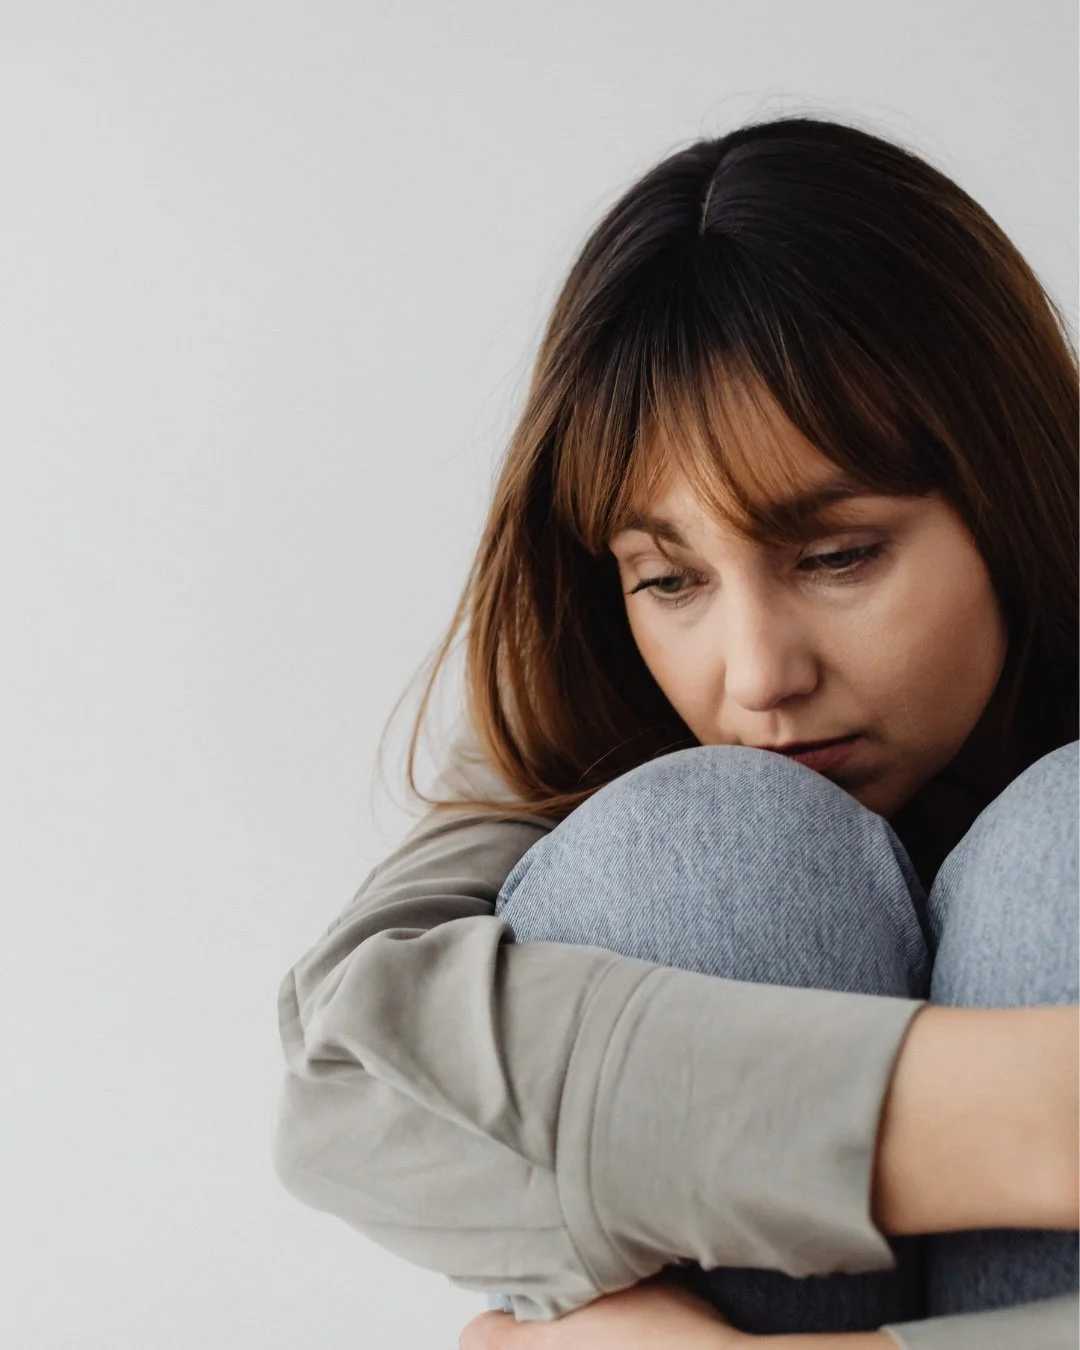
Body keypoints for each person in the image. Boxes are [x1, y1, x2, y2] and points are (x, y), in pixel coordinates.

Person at [270, 115, 1080, 1350]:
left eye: (839, 555)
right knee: (703, 845)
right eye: (669, 579)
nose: (756, 676)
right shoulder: (600, 721)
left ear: (1012, 488)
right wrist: (1021, 1109)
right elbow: (351, 1085)